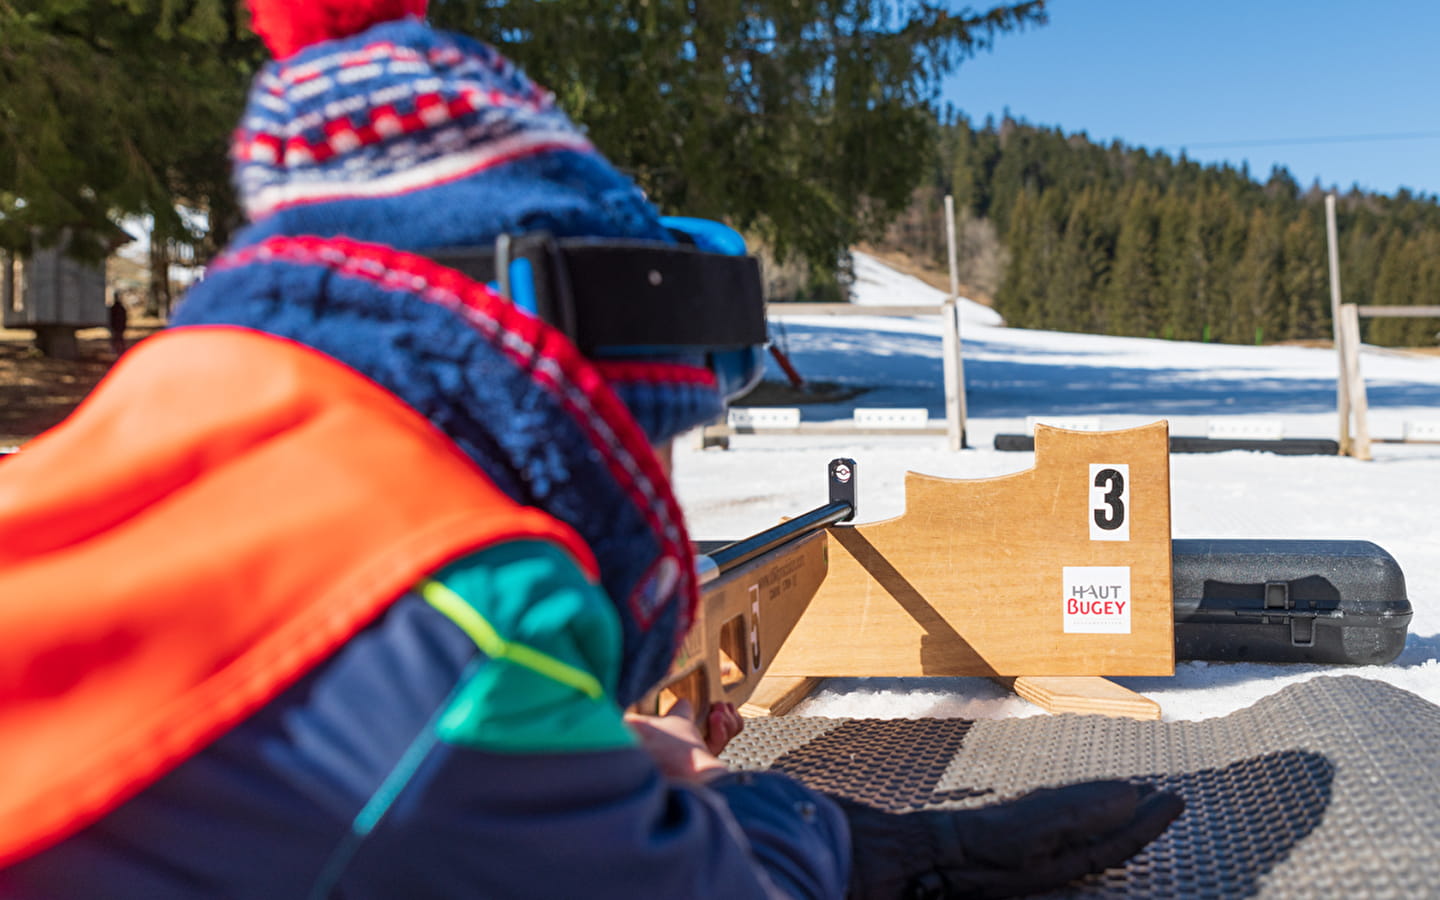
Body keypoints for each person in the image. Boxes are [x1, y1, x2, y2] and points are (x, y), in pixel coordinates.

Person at [0, 2, 1180, 897]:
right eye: (644, 441)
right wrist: (845, 837)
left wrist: (570, 748)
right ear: (547, 412)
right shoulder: (465, 620)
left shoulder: (117, 472)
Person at [107, 291, 128, 356]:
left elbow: (123, 318)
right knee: (118, 339)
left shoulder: (117, 308)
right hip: (117, 327)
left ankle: (119, 350)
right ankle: (118, 350)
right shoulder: (119, 308)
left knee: (117, 339)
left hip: (117, 327)